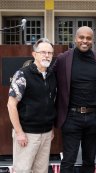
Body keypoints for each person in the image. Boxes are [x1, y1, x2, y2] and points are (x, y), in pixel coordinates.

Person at [53, 26, 96, 173]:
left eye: (88, 38)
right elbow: (48, 79)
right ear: (75, 39)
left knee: (89, 160)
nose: (85, 41)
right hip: (71, 117)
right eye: (81, 37)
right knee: (68, 160)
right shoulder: (62, 59)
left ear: (93, 40)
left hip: (94, 118)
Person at [7, 38, 56, 173]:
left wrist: (51, 127)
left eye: (50, 53)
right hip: (27, 134)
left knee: (41, 171)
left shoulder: (51, 75)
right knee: (23, 170)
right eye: (43, 52)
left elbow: (50, 103)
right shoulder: (23, 74)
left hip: (46, 134)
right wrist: (19, 132)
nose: (47, 55)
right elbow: (11, 105)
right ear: (34, 54)